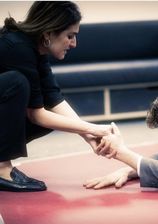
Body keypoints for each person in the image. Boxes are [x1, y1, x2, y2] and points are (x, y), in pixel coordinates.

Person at [0, 1, 112, 192]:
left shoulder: (36, 48)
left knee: (55, 117)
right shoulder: (16, 47)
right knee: (16, 82)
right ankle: (2, 167)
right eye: (70, 36)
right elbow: (37, 115)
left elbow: (53, 98)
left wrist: (88, 136)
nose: (74, 43)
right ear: (48, 33)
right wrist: (96, 129)